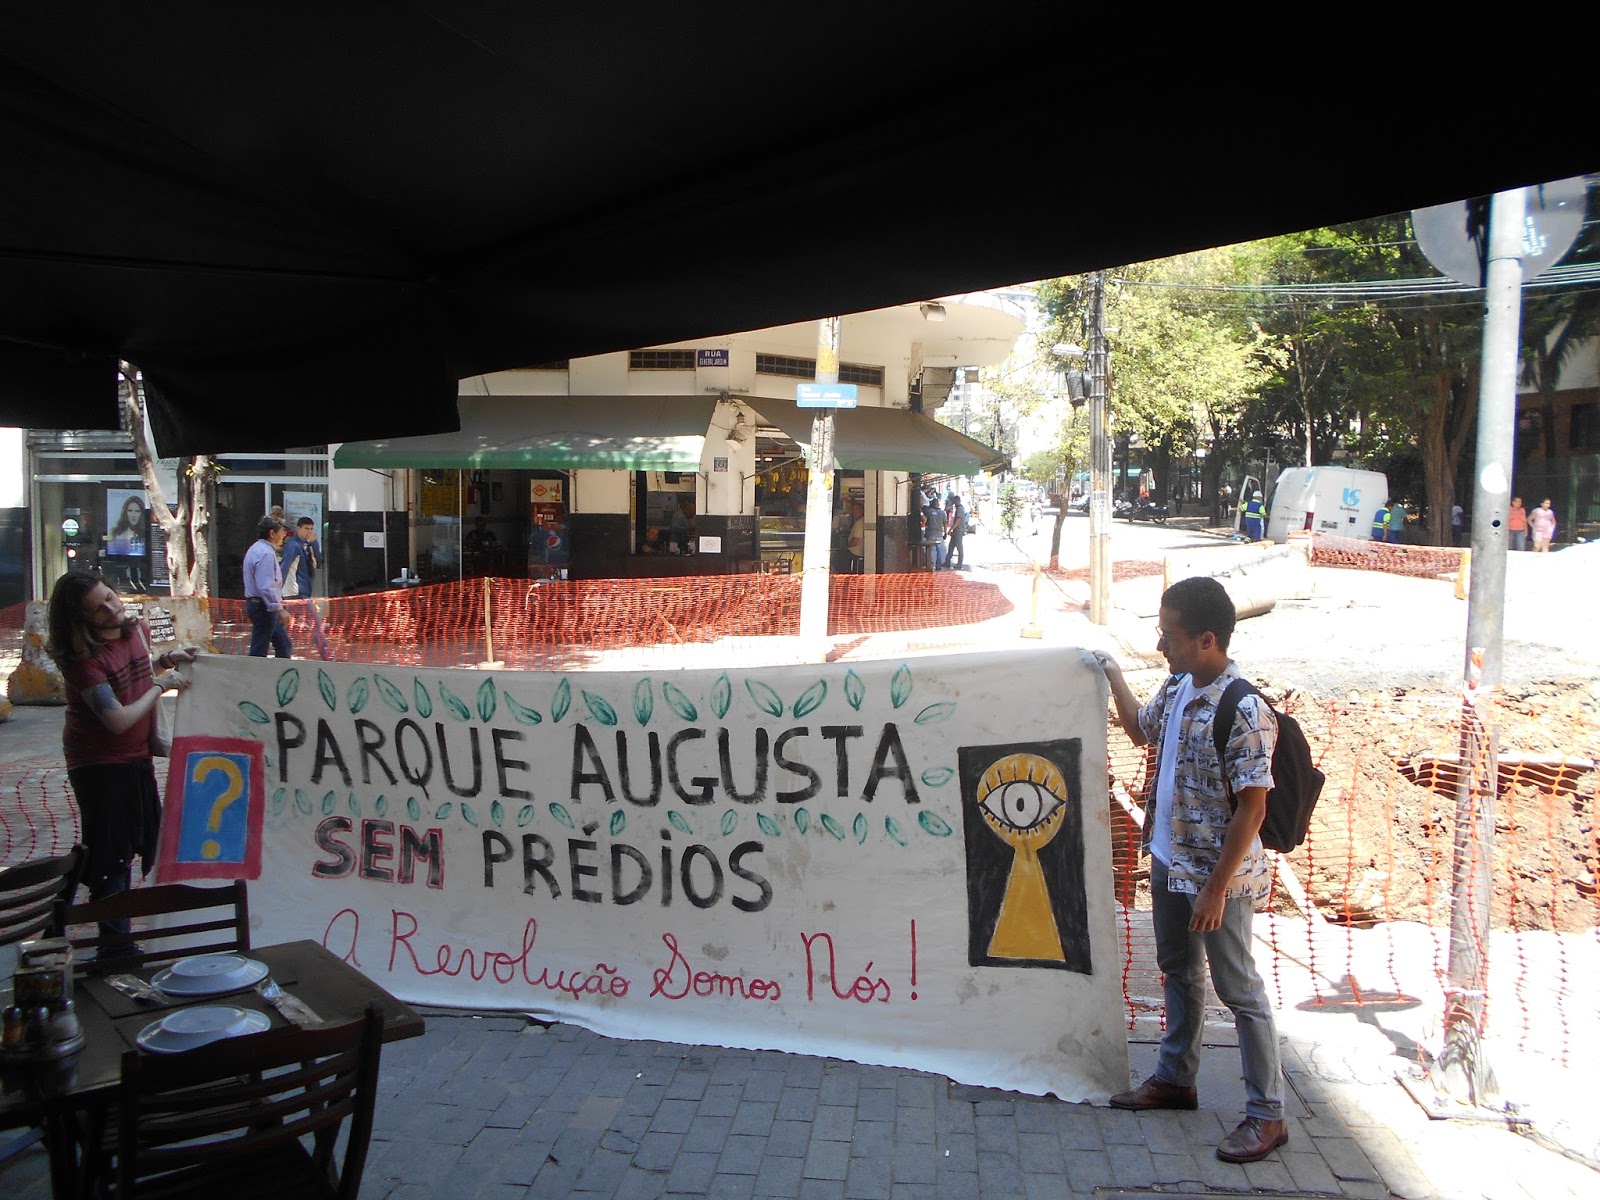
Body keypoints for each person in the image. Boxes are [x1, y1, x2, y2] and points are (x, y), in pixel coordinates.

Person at [1094, 576, 1286, 1164]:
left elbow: (1253, 808)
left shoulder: (1243, 708)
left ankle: (1268, 1114)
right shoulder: (1178, 686)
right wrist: (1111, 672)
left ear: (1207, 639)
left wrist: (1216, 889)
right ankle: (1175, 1079)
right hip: (1168, 860)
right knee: (1178, 972)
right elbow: (1139, 729)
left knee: (1239, 990)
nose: (1161, 646)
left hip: (1216, 879)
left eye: (1169, 636)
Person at [46, 573, 195, 955]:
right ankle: (115, 947)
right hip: (99, 764)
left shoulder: (137, 629)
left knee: (132, 842)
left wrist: (166, 661)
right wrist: (161, 686)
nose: (112, 609)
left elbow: (139, 670)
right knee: (112, 856)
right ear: (81, 620)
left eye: (110, 597)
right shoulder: (82, 661)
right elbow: (116, 720)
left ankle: (68, 919)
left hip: (136, 757)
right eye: (99, 609)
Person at [279, 516, 329, 660]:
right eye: (306, 528)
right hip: (296, 592)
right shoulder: (293, 545)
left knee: (289, 626)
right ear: (298, 528)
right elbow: (284, 567)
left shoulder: (306, 545)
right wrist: (278, 590)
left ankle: (282, 652)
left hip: (300, 591)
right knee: (315, 623)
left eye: (311, 529)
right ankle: (325, 654)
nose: (309, 532)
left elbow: (319, 563)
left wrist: (314, 544)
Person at [244, 515, 292, 658]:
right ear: (272, 533)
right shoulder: (265, 553)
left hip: (262, 605)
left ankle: (279, 670)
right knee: (260, 649)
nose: (284, 535)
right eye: (282, 531)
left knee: (283, 644)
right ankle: (257, 671)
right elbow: (266, 586)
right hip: (263, 607)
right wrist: (279, 609)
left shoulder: (257, 549)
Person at [922, 493, 946, 570]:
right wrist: (945, 532)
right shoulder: (942, 512)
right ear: (938, 504)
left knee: (930, 550)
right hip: (939, 534)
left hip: (930, 534)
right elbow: (945, 523)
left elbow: (925, 521)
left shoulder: (928, 512)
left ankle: (930, 565)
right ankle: (939, 565)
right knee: (939, 550)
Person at [945, 494, 967, 570]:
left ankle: (959, 564)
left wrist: (951, 529)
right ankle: (947, 561)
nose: (953, 504)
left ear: (957, 501)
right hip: (956, 530)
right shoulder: (958, 508)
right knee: (951, 546)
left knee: (959, 547)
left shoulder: (960, 509)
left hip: (958, 530)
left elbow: (958, 520)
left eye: (954, 502)